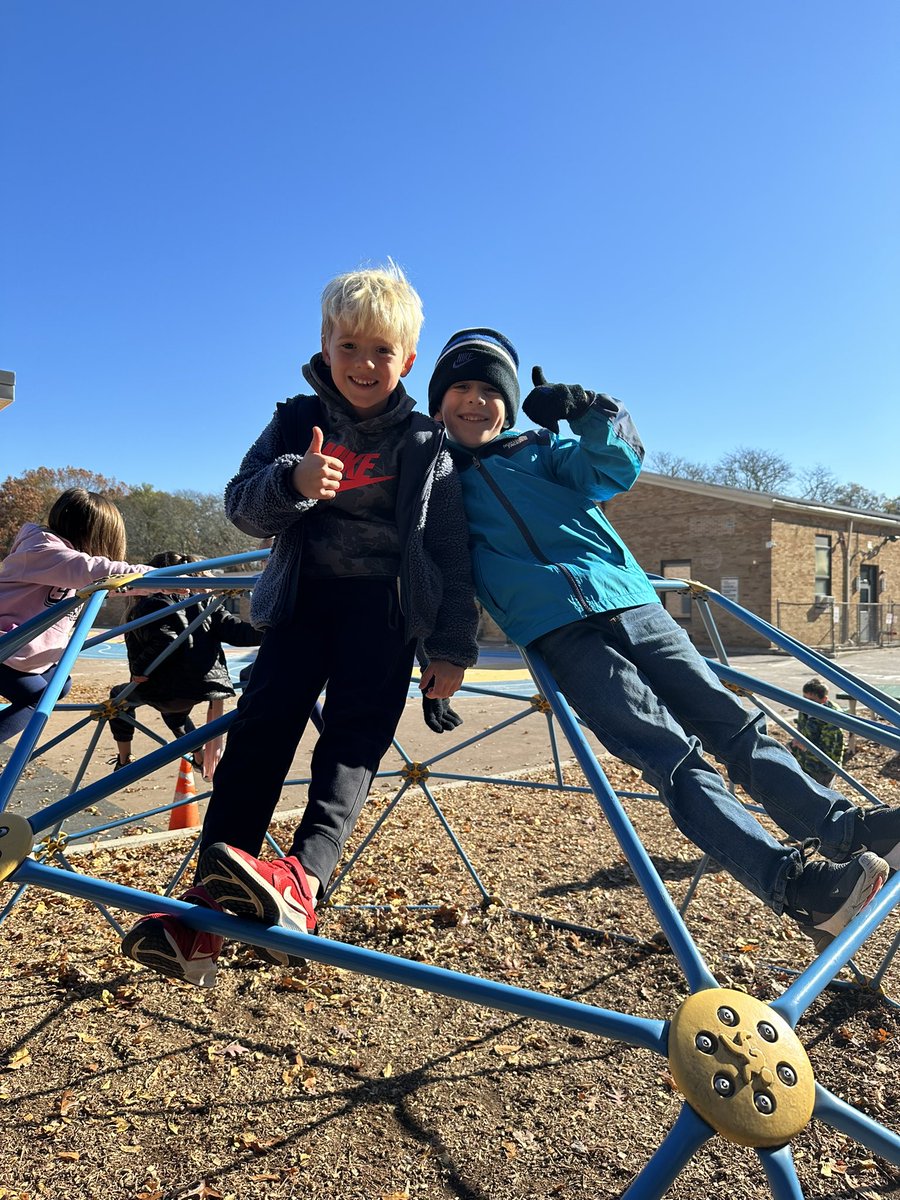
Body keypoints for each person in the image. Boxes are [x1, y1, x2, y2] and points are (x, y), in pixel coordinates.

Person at [426, 327, 900, 953]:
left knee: (736, 727)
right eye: (460, 388)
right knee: (672, 758)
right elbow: (441, 574)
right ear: (437, 404)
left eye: (491, 391)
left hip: (632, 604)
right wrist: (446, 650)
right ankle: (801, 888)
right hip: (557, 631)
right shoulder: (437, 485)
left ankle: (848, 828)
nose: (475, 402)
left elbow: (617, 465)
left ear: (510, 404)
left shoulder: (545, 452)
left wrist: (589, 410)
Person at [122, 263, 479, 986]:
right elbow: (240, 505)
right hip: (301, 605)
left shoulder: (424, 442)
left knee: (350, 750)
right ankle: (199, 920)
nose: (365, 364)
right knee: (256, 741)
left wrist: (449, 645)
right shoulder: (293, 419)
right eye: (350, 347)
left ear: (407, 359)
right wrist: (291, 482)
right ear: (324, 344)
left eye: (382, 350)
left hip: (382, 615)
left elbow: (448, 548)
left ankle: (302, 885)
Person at [0, 489, 150, 744]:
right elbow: (101, 572)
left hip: (21, 656)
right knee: (41, 696)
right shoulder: (42, 550)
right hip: (6, 649)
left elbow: (105, 585)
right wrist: (164, 578)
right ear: (94, 534)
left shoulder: (67, 567)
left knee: (60, 684)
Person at [107, 552, 263, 781]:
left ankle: (124, 759)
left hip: (169, 687)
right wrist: (271, 632)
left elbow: (165, 640)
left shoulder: (153, 603)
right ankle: (199, 756)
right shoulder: (207, 602)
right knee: (175, 714)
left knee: (117, 699)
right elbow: (237, 632)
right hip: (207, 686)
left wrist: (139, 669)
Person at [790, 677, 846, 787]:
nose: (806, 704)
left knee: (821, 800)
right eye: (804, 698)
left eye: (811, 701)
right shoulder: (805, 709)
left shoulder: (832, 718)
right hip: (804, 764)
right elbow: (802, 731)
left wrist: (805, 747)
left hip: (822, 770)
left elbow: (830, 753)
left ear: (824, 700)